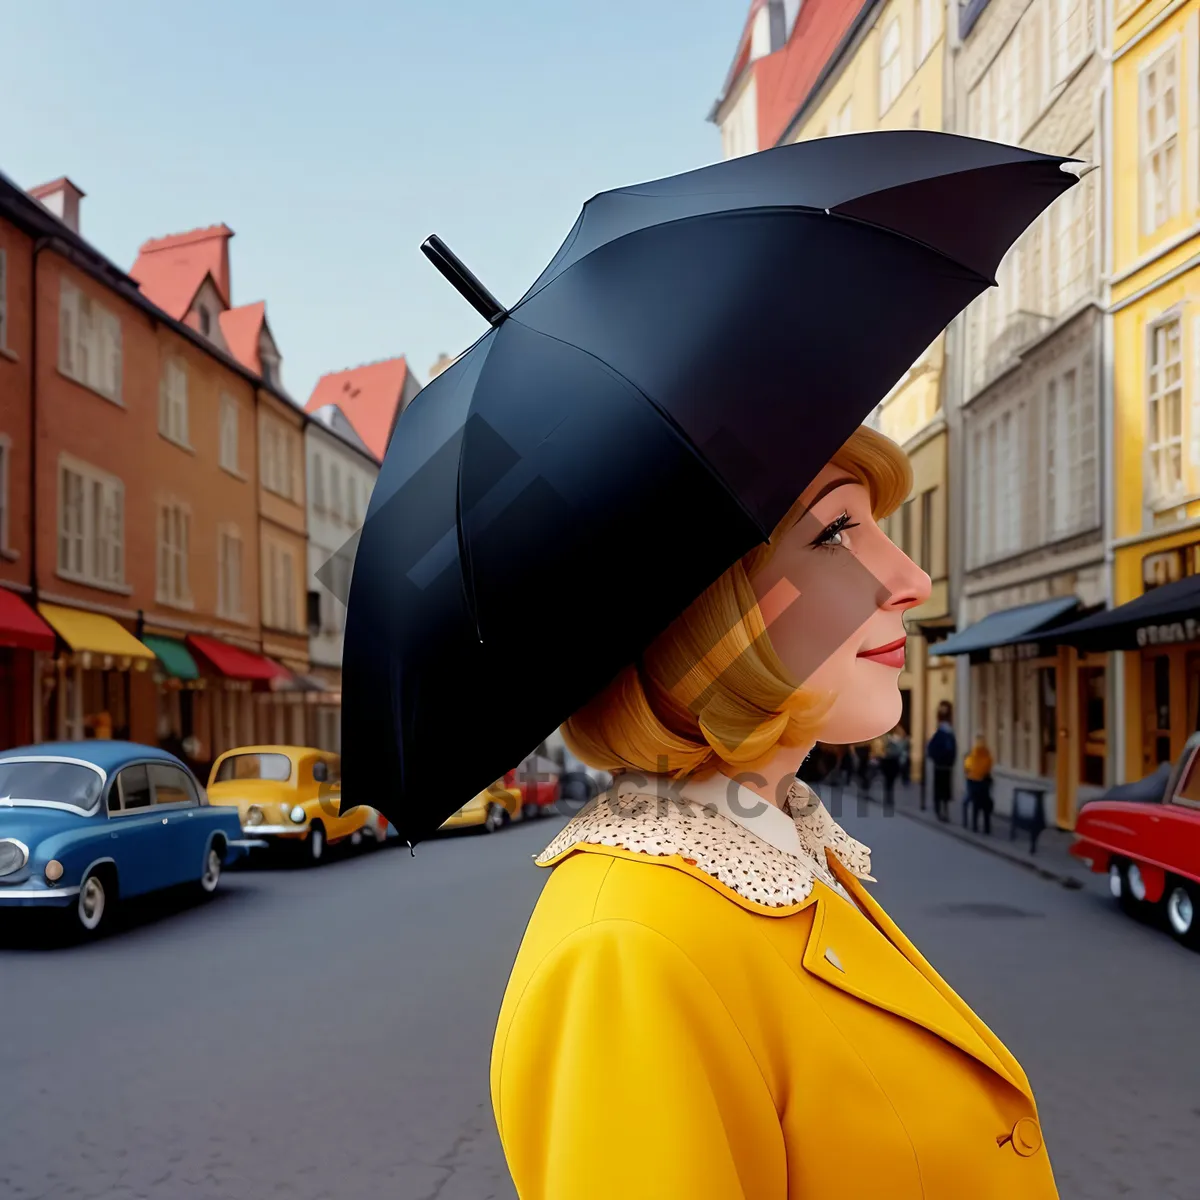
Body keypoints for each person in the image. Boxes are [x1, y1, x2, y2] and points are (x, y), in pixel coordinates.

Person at [491, 426, 1059, 1199]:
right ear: (702, 612)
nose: (911, 578)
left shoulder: (774, 848)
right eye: (834, 534)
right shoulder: (626, 954)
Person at [927, 700, 957, 822]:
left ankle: (942, 810)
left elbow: (932, 748)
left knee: (943, 790)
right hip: (942, 766)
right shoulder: (944, 734)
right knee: (942, 790)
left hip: (943, 766)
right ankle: (940, 810)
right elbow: (932, 748)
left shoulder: (946, 734)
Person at [964, 731, 995, 835]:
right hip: (983, 783)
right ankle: (986, 828)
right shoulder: (987, 754)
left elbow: (968, 766)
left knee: (976, 805)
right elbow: (988, 767)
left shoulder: (973, 754)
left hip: (974, 782)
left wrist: (970, 773)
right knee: (985, 806)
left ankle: (974, 826)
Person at [880, 724, 904, 810]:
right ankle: (889, 798)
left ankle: (888, 798)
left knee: (889, 782)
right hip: (891, 761)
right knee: (889, 782)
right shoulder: (890, 738)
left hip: (890, 761)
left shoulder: (889, 738)